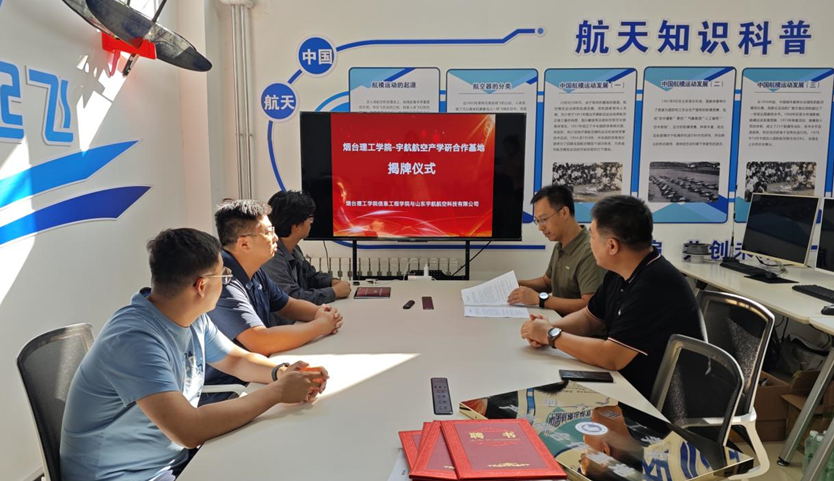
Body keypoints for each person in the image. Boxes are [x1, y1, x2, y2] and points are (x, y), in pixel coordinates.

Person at [60, 228, 328, 481]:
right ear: (202, 286)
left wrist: (282, 373)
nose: (226, 282)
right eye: (223, 276)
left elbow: (235, 360)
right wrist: (277, 392)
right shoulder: (134, 339)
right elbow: (188, 430)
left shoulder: (191, 317)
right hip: (126, 475)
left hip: (171, 461)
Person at [520, 195, 702, 398]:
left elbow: (611, 357)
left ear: (612, 246)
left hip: (665, 400)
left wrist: (551, 335)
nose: (589, 243)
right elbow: (589, 318)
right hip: (631, 382)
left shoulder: (654, 285)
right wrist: (547, 328)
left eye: (592, 237)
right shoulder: (620, 273)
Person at [203, 200, 343, 399]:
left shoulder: (254, 270)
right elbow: (259, 341)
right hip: (231, 391)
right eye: (268, 232)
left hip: (259, 373)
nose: (276, 237)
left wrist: (318, 312)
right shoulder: (223, 280)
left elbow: (288, 304)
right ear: (244, 243)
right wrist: (320, 326)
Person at [508, 184, 606, 316]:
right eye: (538, 221)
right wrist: (515, 284)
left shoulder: (589, 251)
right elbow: (547, 282)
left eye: (543, 219)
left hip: (576, 327)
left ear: (564, 212)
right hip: (558, 320)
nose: (540, 228)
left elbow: (589, 305)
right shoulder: (560, 245)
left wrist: (540, 299)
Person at [262, 190, 351, 326]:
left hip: (299, 323)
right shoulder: (272, 257)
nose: (311, 223)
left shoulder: (293, 248)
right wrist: (333, 292)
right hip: (284, 328)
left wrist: (332, 282)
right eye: (309, 218)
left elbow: (310, 276)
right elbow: (293, 299)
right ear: (296, 225)